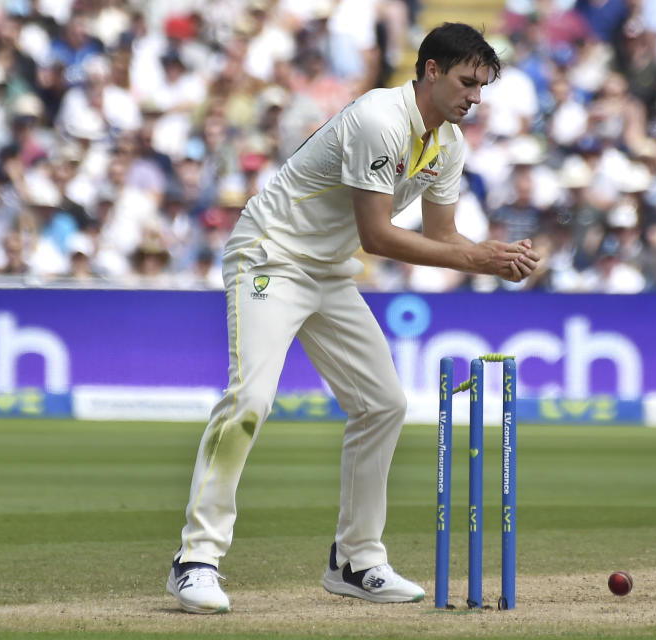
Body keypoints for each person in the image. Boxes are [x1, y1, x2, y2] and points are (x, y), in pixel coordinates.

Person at [166, 22, 541, 614]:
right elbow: (378, 236)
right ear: (432, 70)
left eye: (484, 87)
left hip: (328, 270)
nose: (475, 97)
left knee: (383, 403)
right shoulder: (378, 119)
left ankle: (355, 559)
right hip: (272, 255)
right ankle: (195, 560)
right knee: (251, 399)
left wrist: (490, 257)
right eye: (468, 82)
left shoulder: (448, 144)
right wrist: (476, 258)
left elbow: (442, 236)